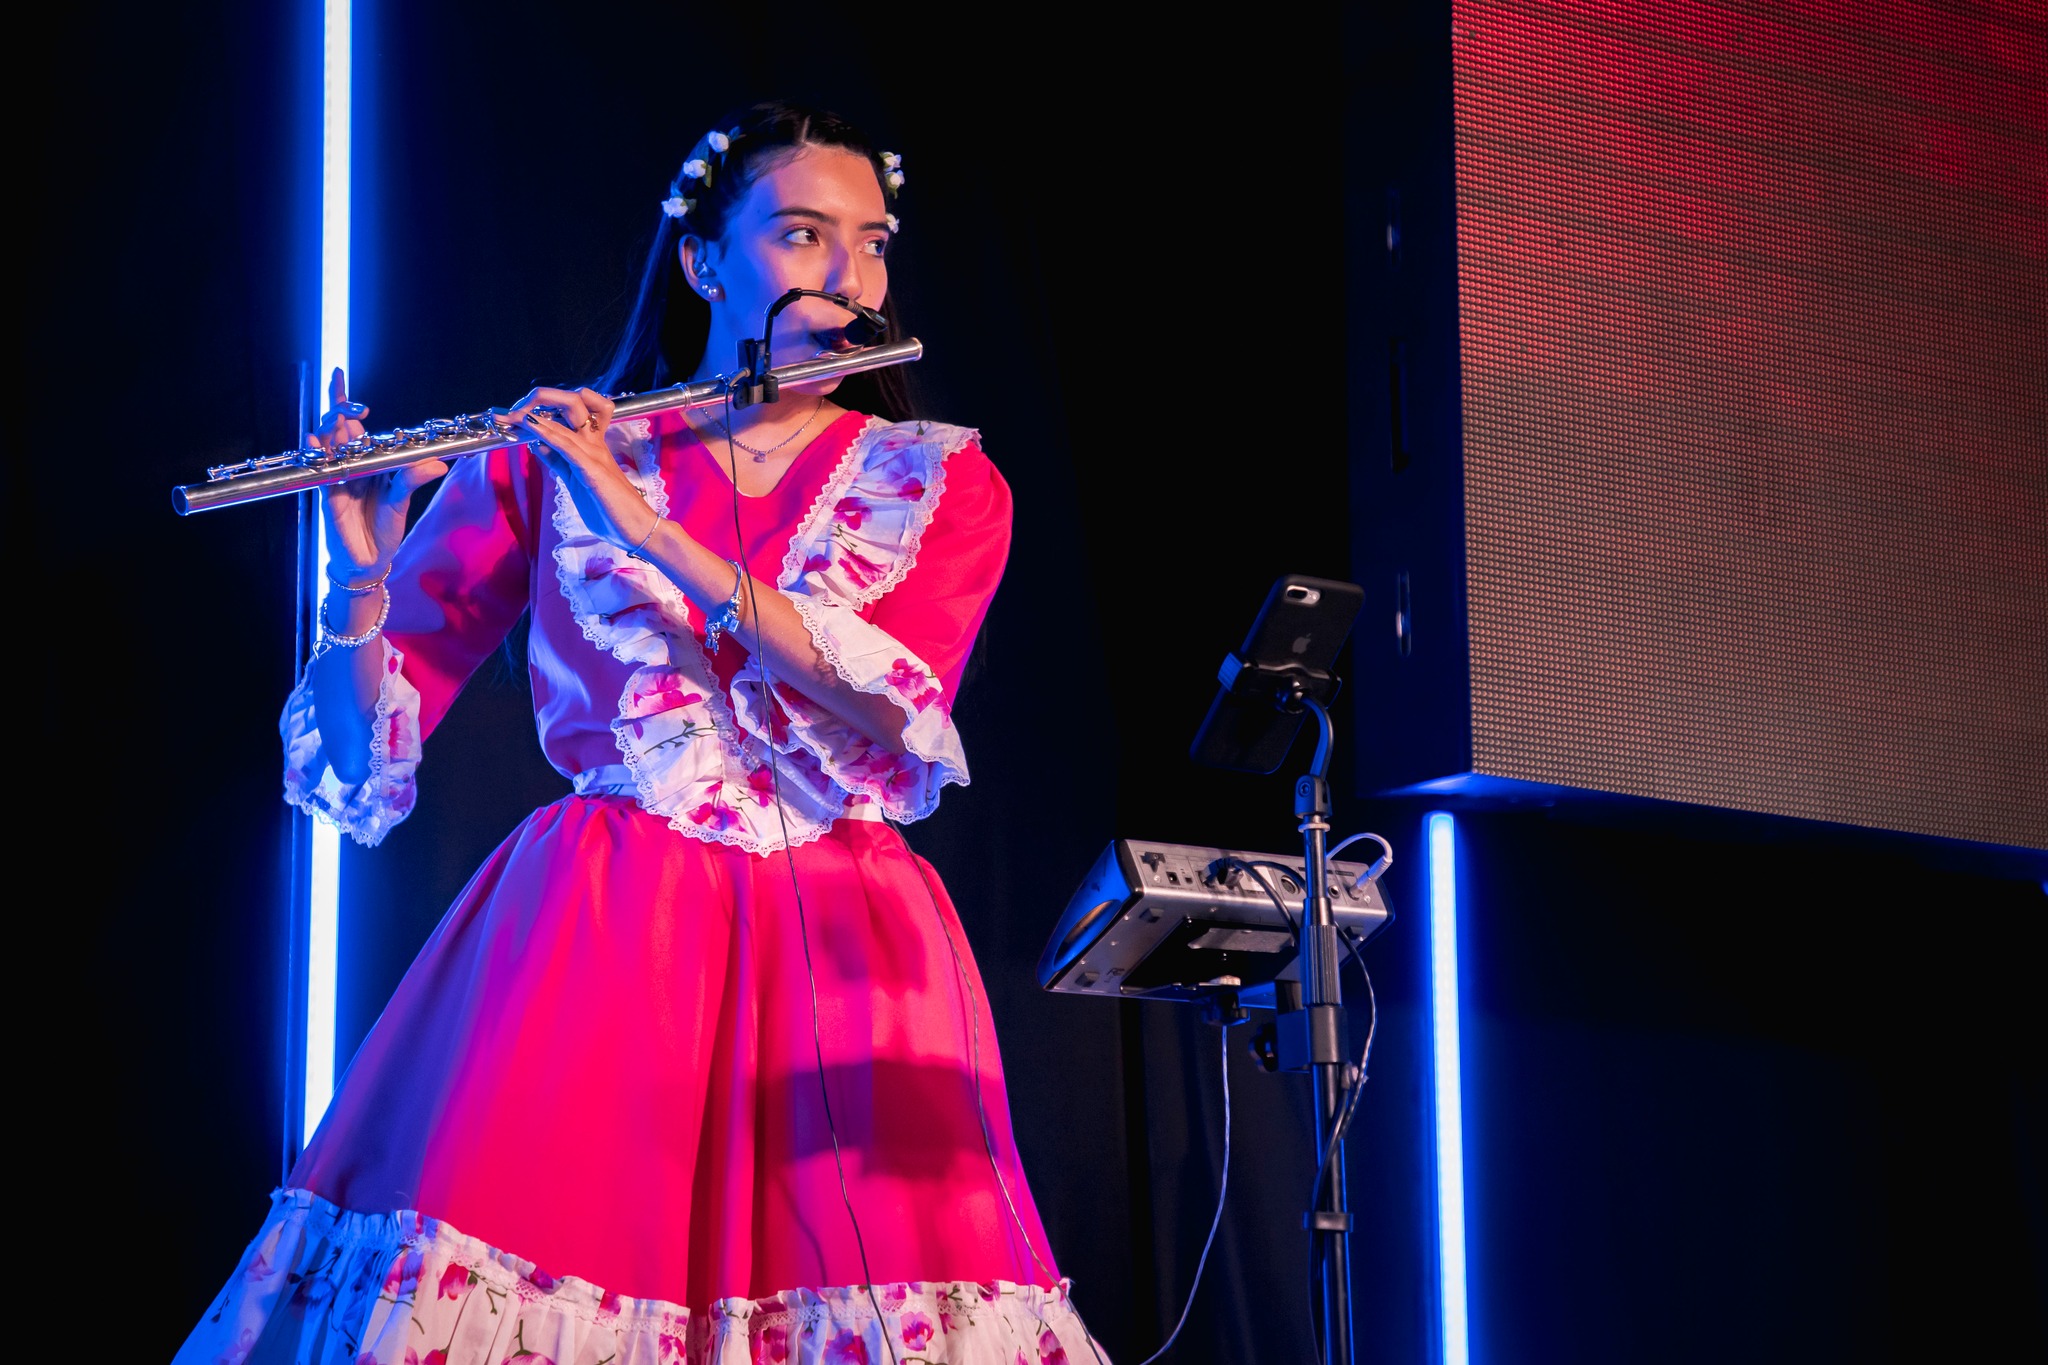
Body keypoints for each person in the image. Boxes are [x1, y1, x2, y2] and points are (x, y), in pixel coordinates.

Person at [178, 102, 1100, 1365]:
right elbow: (353, 762)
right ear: (704, 263)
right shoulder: (550, 460)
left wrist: (647, 531)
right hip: (601, 927)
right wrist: (359, 578)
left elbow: (892, 703)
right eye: (801, 234)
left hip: (845, 941)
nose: (848, 273)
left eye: (872, 242)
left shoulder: (938, 483)